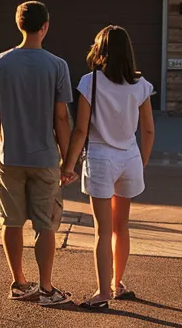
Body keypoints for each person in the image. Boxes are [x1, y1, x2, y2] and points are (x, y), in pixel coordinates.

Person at [0, 1, 74, 307]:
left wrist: (3, 137)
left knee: (10, 220)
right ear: (45, 26)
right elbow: (61, 118)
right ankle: (47, 289)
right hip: (45, 156)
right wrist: (67, 159)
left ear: (18, 24)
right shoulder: (57, 65)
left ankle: (19, 282)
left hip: (8, 156)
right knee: (44, 224)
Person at [63, 25, 156, 311]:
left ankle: (102, 292)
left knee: (102, 231)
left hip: (101, 159)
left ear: (100, 50)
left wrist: (67, 165)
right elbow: (149, 131)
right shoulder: (140, 85)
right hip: (129, 157)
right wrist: (140, 162)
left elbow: (80, 129)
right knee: (122, 226)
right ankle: (117, 283)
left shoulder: (90, 82)